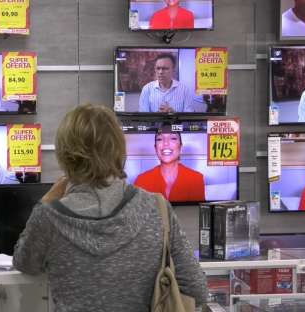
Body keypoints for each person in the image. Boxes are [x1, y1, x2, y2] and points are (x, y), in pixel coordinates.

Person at [13, 104, 208, 311]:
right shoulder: (157, 208)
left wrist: (47, 200)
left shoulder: (48, 216)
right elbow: (196, 289)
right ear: (118, 148)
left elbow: (25, 263)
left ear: (64, 153)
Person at [134, 128, 205, 202]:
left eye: (173, 138)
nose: (166, 143)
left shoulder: (196, 179)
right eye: (160, 139)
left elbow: (195, 212)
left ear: (180, 147)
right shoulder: (141, 181)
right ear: (155, 148)